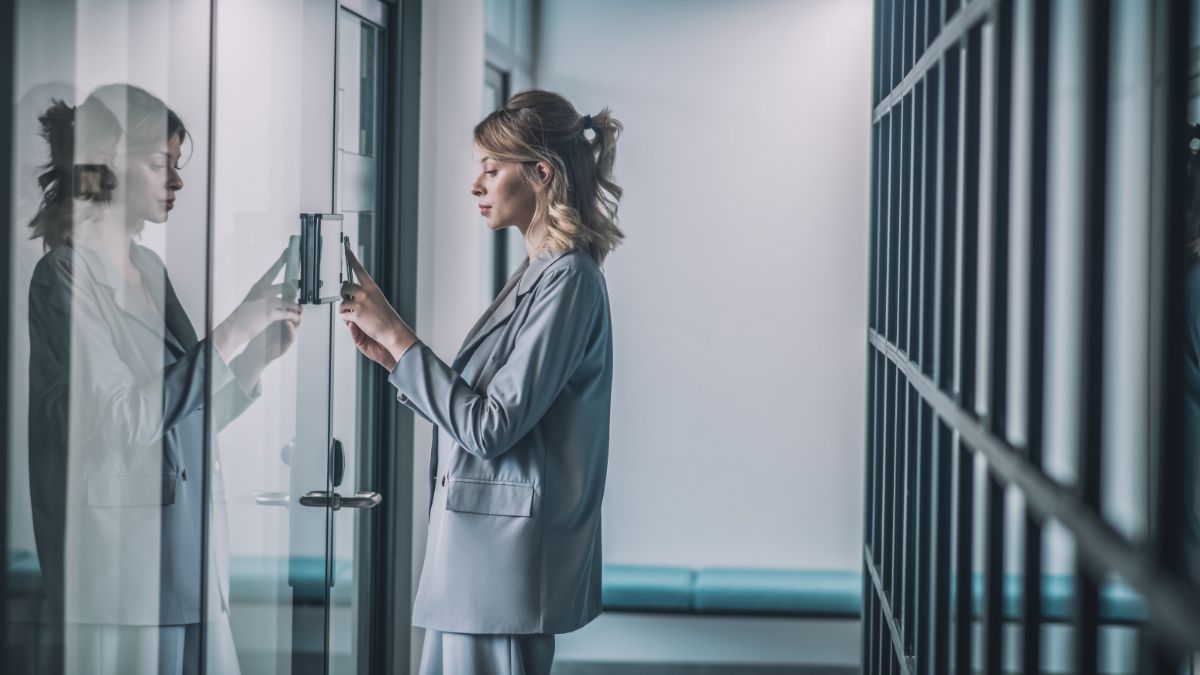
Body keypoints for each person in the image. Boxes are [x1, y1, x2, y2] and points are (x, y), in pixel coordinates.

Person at [338, 89, 624, 675]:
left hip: (504, 570)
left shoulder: (569, 279)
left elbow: (490, 427)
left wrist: (399, 336)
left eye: (492, 170)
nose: (477, 186)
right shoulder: (541, 271)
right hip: (480, 564)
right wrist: (396, 360)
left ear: (541, 174)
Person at [26, 84, 301, 675]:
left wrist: (255, 355)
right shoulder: (63, 276)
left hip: (187, 559)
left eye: (176, 167)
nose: (175, 183)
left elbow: (177, 424)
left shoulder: (148, 266)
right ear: (106, 166)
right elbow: (122, 421)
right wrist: (230, 332)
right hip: (123, 578)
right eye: (159, 165)